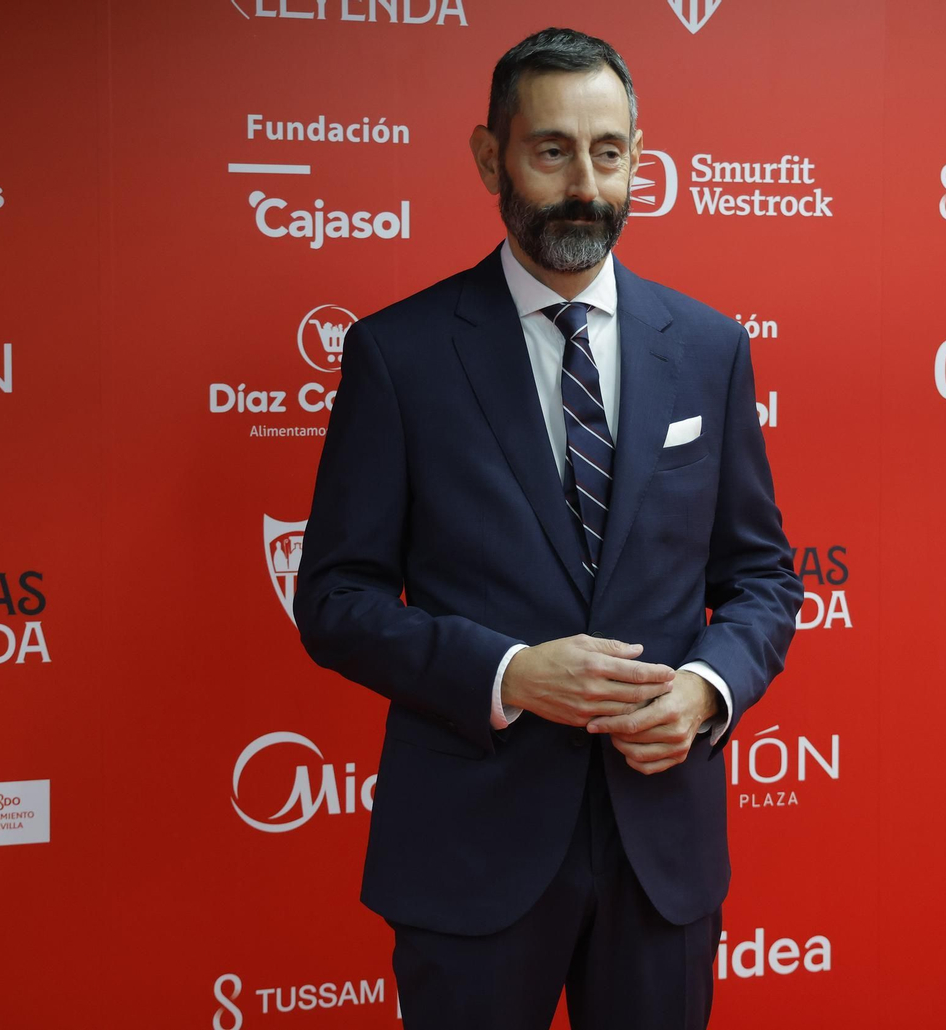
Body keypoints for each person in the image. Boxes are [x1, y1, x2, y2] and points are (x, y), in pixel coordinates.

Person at [292, 26, 801, 1030]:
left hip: (661, 852)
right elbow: (335, 600)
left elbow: (763, 578)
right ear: (492, 158)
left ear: (639, 158)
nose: (583, 185)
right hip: (470, 853)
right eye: (552, 150)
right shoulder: (399, 354)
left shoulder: (709, 347)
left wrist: (706, 690)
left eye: (607, 153)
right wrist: (508, 674)